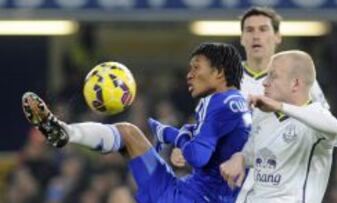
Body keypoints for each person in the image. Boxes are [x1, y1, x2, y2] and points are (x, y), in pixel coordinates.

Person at [21, 42, 252, 203]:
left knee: (128, 136)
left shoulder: (224, 103)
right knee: (128, 134)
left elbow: (198, 156)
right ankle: (62, 131)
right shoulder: (225, 102)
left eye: (196, 67)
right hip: (184, 191)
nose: (189, 74)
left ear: (220, 72)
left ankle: (67, 131)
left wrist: (178, 138)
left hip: (194, 198)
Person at [220, 50, 337, 203]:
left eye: (273, 75)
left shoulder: (316, 118)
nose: (265, 82)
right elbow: (253, 152)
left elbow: (336, 128)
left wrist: (280, 106)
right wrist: (240, 158)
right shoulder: (262, 114)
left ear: (295, 83)